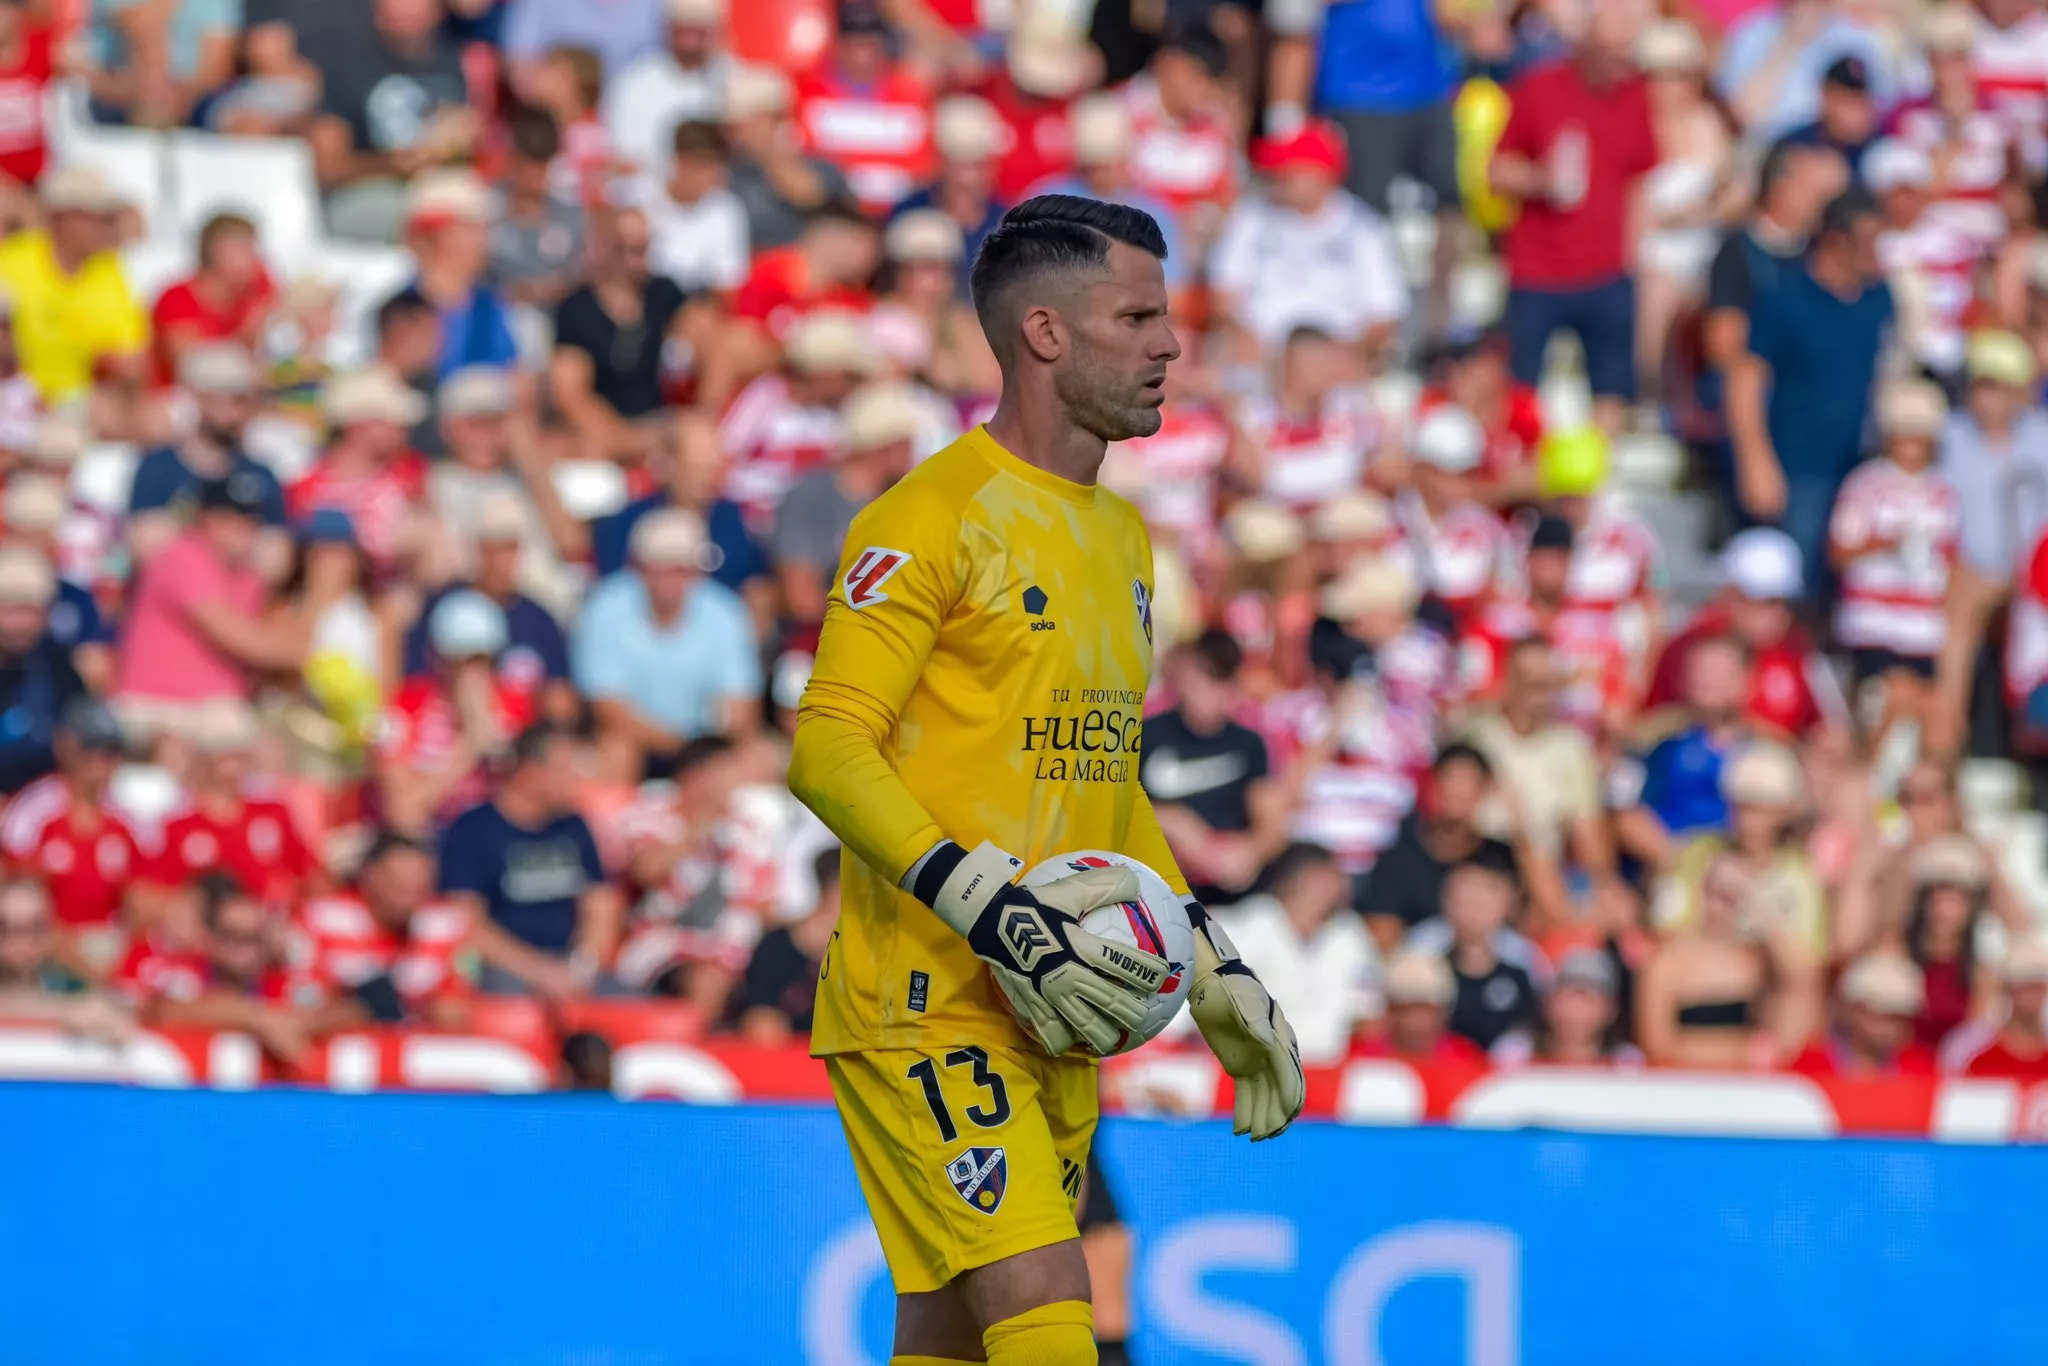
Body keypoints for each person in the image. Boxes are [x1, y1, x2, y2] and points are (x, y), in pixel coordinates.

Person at [787, 196, 1303, 1365]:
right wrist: (988, 905)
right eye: (1138, 315)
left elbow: (1107, 790)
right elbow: (825, 747)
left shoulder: (1122, 540)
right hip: (924, 1000)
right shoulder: (927, 517)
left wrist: (1209, 965)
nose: (1170, 343)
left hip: (1055, 1009)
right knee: (1052, 1320)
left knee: (949, 1342)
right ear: (1044, 334)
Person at [1488, 3, 1657, 433]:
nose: (1622, 63)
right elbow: (1497, 170)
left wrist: (1632, 260)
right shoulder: (1538, 89)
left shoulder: (1635, 96)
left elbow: (1639, 181)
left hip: (1606, 269)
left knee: (1611, 388)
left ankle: (1593, 483)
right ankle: (1519, 471)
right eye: (1612, 52)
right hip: (1538, 268)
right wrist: (1541, 179)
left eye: (1627, 53)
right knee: (1521, 384)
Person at [1728, 188, 1895, 580]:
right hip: (1797, 470)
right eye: (1870, 242)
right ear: (1836, 241)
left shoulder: (1880, 298)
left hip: (1860, 471)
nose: (1878, 254)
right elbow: (1746, 378)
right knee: (1798, 583)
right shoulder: (1785, 299)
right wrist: (1755, 460)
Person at [438, 722, 623, 1000]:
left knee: (629, 997)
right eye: (565, 770)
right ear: (529, 773)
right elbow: (466, 923)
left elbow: (600, 904)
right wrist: (540, 972)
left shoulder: (575, 825)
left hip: (570, 966)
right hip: (503, 969)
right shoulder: (472, 830)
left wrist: (582, 968)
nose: (576, 780)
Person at [114, 471, 303, 742]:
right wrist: (314, 655)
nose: (242, 527)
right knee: (246, 740)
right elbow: (241, 637)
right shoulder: (182, 555)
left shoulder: (246, 573)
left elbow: (271, 631)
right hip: (159, 706)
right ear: (205, 517)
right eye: (229, 517)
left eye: (249, 518)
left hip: (211, 710)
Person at [573, 506, 759, 774]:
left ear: (697, 571)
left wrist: (702, 749)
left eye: (680, 569)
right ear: (639, 569)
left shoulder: (725, 612)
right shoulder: (605, 607)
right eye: (660, 568)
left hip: (704, 746)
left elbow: (740, 709)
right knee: (615, 752)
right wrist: (678, 745)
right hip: (636, 742)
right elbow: (608, 708)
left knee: (755, 757)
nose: (670, 580)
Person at [1209, 120, 1408, 362]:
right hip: (1261, 355)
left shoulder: (1364, 229)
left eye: (1287, 169)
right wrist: (1242, 336)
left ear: (1320, 174)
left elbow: (1384, 316)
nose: (1276, 176)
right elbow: (1223, 297)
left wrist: (1341, 358)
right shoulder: (1250, 217)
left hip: (1334, 358)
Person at [1829, 379, 1960, 745]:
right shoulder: (1865, 485)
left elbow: (1950, 559)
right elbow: (1840, 551)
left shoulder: (1942, 492)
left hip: (1921, 627)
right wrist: (1890, 543)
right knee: (1885, 706)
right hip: (1873, 624)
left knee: (1929, 712)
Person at [308, 0, 472, 244]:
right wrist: (391, 165)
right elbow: (327, 168)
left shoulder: (449, 62)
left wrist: (456, 146)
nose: (407, 10)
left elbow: (460, 138)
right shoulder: (346, 67)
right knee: (444, 222)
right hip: (365, 195)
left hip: (436, 187)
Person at [1139, 631, 1284, 904]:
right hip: (1160, 885)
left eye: (1222, 680)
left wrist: (1251, 850)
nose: (1211, 691)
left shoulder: (1248, 743)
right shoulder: (1148, 735)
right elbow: (1118, 805)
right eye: (1204, 677)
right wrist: (1171, 821)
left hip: (1232, 891)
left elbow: (1271, 819)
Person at [1637, 848, 1816, 1068]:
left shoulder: (1757, 958)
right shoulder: (1669, 959)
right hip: (1687, 1084)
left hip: (1745, 1087)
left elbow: (1804, 981)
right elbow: (1656, 1045)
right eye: (1714, 893)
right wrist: (1739, 1050)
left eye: (1732, 897)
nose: (1720, 906)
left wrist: (1757, 897)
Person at [771, 381, 919, 636]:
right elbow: (801, 599)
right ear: (884, 446)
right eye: (906, 443)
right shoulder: (811, 497)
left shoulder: (906, 500)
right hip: (821, 643)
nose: (914, 452)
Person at [1215, 842, 1380, 1066]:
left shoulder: (1349, 933)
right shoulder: (1253, 923)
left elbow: (1368, 1017)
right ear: (1311, 878)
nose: (1345, 884)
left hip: (1331, 1071)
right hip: (1258, 1065)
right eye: (1336, 875)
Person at [550, 205, 691, 461]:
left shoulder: (663, 294)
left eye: (645, 248)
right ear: (605, 248)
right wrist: (626, 439)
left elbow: (705, 337)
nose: (640, 260)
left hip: (661, 425)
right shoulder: (576, 309)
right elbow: (571, 395)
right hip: (607, 433)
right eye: (630, 249)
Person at [291, 831, 470, 1027]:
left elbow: (455, 1010)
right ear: (370, 876)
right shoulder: (322, 919)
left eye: (418, 890)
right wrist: (362, 1009)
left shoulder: (444, 926)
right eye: (399, 887)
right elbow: (301, 1004)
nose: (409, 901)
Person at [0, 166, 147, 404]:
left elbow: (129, 359)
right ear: (61, 217)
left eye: (110, 218)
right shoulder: (11, 264)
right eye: (98, 217)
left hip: (84, 403)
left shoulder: (110, 269)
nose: (107, 226)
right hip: (18, 399)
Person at [153, 700, 320, 904]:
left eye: (239, 750)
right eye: (224, 750)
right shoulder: (177, 825)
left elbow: (311, 876)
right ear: (202, 757)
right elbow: (157, 895)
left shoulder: (273, 811)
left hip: (274, 925)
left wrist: (290, 890)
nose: (234, 759)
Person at [1362, 742, 1517, 951]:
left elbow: (1532, 922)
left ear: (1485, 789)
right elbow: (1381, 934)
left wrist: (1521, 828)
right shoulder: (1399, 858)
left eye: (1467, 782)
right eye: (1449, 779)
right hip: (1419, 971)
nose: (1456, 792)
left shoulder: (1500, 856)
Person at [1405, 859, 1543, 1056]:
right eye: (1464, 901)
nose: (1472, 913)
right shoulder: (1422, 949)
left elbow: (1535, 1018)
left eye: (1482, 903)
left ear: (1505, 906)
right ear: (1446, 902)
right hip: (1438, 1059)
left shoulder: (1524, 956)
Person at [602, 0, 733, 180]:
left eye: (699, 32)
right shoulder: (635, 83)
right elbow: (626, 157)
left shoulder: (735, 78)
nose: (691, 43)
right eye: (683, 32)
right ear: (668, 30)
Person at [149, 212, 276, 387]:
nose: (254, 258)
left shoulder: (254, 288)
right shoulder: (177, 298)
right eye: (243, 249)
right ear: (214, 253)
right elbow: (194, 367)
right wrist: (250, 327)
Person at [0, 878, 133, 1044]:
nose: (20, 942)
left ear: (50, 933)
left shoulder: (69, 984)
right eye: (4, 928)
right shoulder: (70, 1001)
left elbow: (120, 1021)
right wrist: (64, 1012)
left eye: (34, 928)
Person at [0, 545, 87, 794]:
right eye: (11, 611)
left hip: (39, 803)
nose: (23, 624)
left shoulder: (58, 670)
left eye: (33, 611)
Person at [734, 845, 841, 1043]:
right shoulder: (776, 946)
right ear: (834, 891)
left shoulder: (870, 950)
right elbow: (760, 1016)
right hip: (788, 1056)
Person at [1789, 952, 1937, 1077]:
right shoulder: (1811, 1065)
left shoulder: (1920, 1067)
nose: (1893, 1027)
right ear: (1855, 1009)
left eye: (1902, 1018)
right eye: (1884, 1015)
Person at [1359, 949, 1486, 1064]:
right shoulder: (1365, 1062)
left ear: (1444, 1012)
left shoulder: (1467, 1059)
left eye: (1425, 1010)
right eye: (1405, 1010)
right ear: (1389, 1011)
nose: (1415, 1022)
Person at [1953, 937, 2048, 1079]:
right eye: (2025, 987)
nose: (2033, 995)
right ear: (2008, 989)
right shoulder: (1979, 1057)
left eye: (2038, 986)